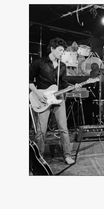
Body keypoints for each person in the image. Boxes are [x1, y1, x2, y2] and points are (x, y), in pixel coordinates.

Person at [29, 37, 78, 165]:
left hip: (58, 98)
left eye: (63, 51)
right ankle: (38, 157)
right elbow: (28, 81)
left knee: (63, 128)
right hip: (42, 98)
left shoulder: (62, 66)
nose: (62, 53)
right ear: (52, 49)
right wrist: (37, 93)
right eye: (60, 50)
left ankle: (67, 155)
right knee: (41, 130)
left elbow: (64, 84)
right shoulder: (39, 63)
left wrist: (73, 87)